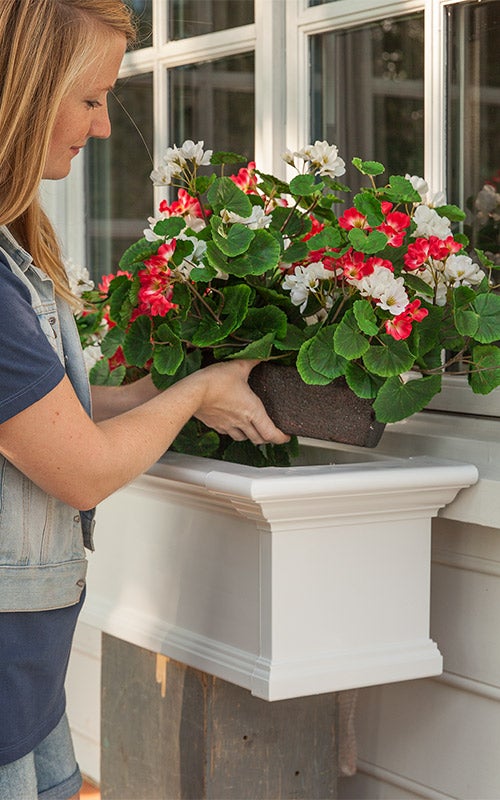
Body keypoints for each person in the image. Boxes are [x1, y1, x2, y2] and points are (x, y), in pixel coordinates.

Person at [0, 2, 289, 798]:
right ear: (22, 96)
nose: (101, 127)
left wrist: (151, 391)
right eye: (91, 99)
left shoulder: (13, 249)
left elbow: (44, 418)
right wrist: (196, 391)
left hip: (27, 676)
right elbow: (82, 470)